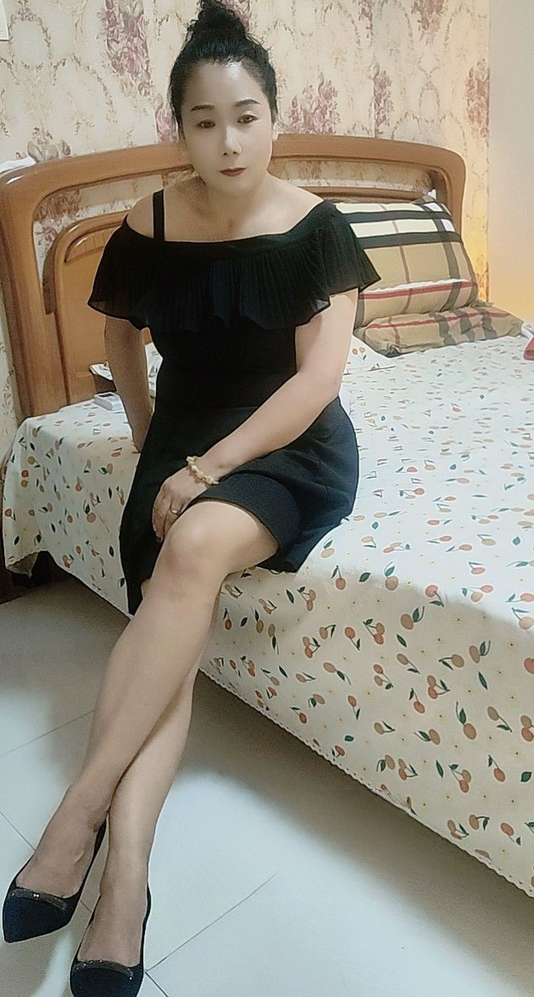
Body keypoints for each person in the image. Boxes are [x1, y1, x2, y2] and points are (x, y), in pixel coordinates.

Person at [2, 1, 380, 993]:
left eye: (246, 117)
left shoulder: (317, 230)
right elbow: (118, 333)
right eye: (205, 122)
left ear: (273, 117)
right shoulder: (150, 223)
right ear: (181, 127)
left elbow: (316, 384)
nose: (229, 142)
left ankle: (76, 814)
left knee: (194, 547)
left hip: (287, 445)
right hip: (183, 437)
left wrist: (203, 468)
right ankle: (124, 882)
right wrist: (145, 434)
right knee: (165, 637)